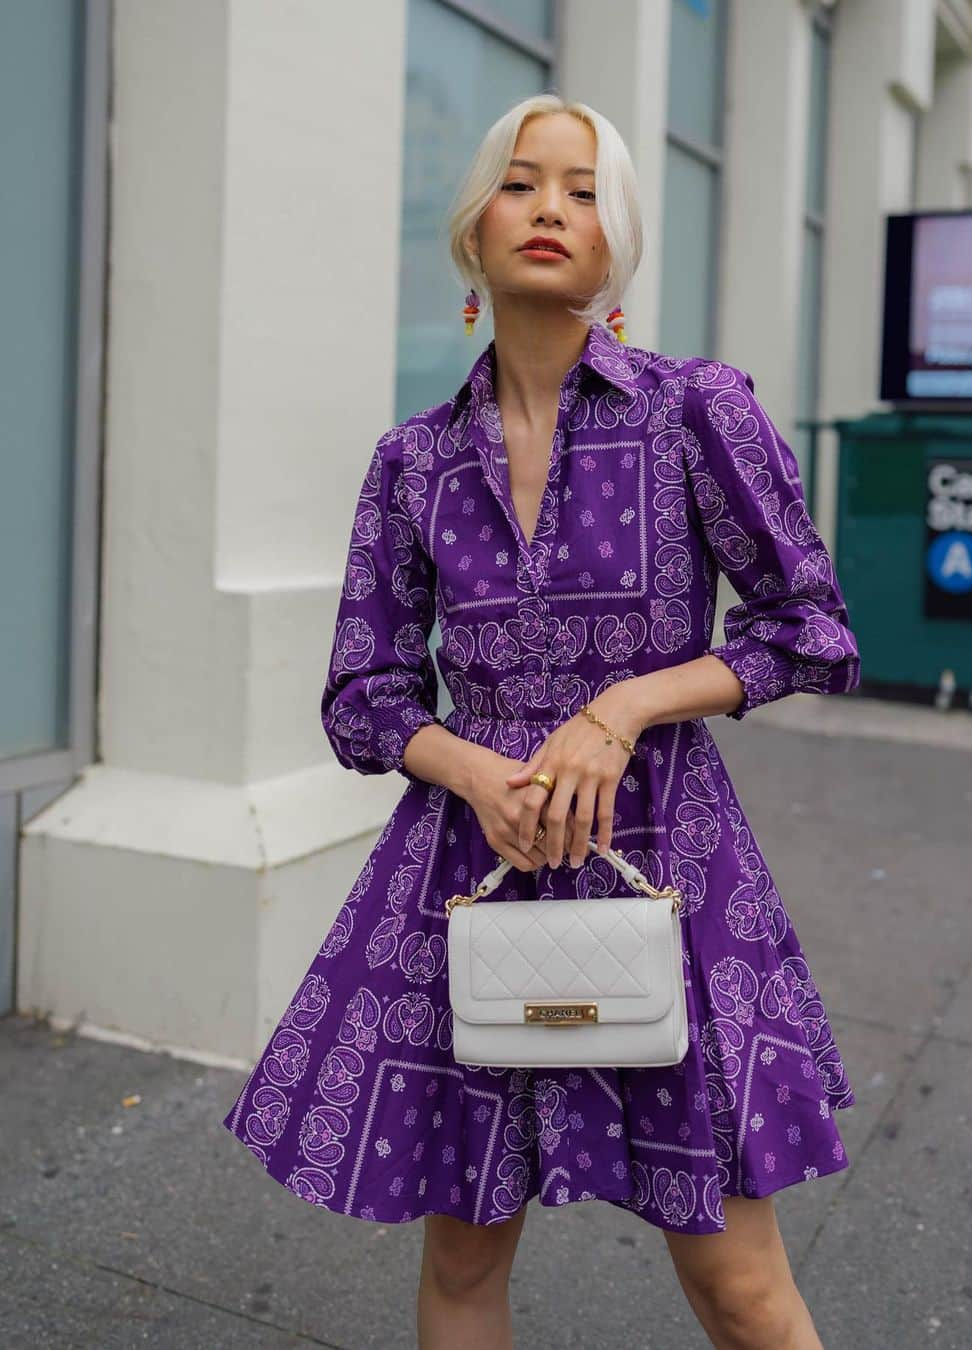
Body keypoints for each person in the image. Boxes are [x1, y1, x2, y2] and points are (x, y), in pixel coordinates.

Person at [220, 93, 861, 1350]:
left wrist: (622, 708)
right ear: (475, 227)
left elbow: (814, 629)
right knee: (462, 1272)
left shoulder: (693, 413)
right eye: (523, 182)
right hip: (473, 871)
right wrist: (468, 767)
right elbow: (365, 695)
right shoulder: (414, 462)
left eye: (583, 190)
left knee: (737, 1285)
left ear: (615, 242)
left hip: (669, 867)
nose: (552, 209)